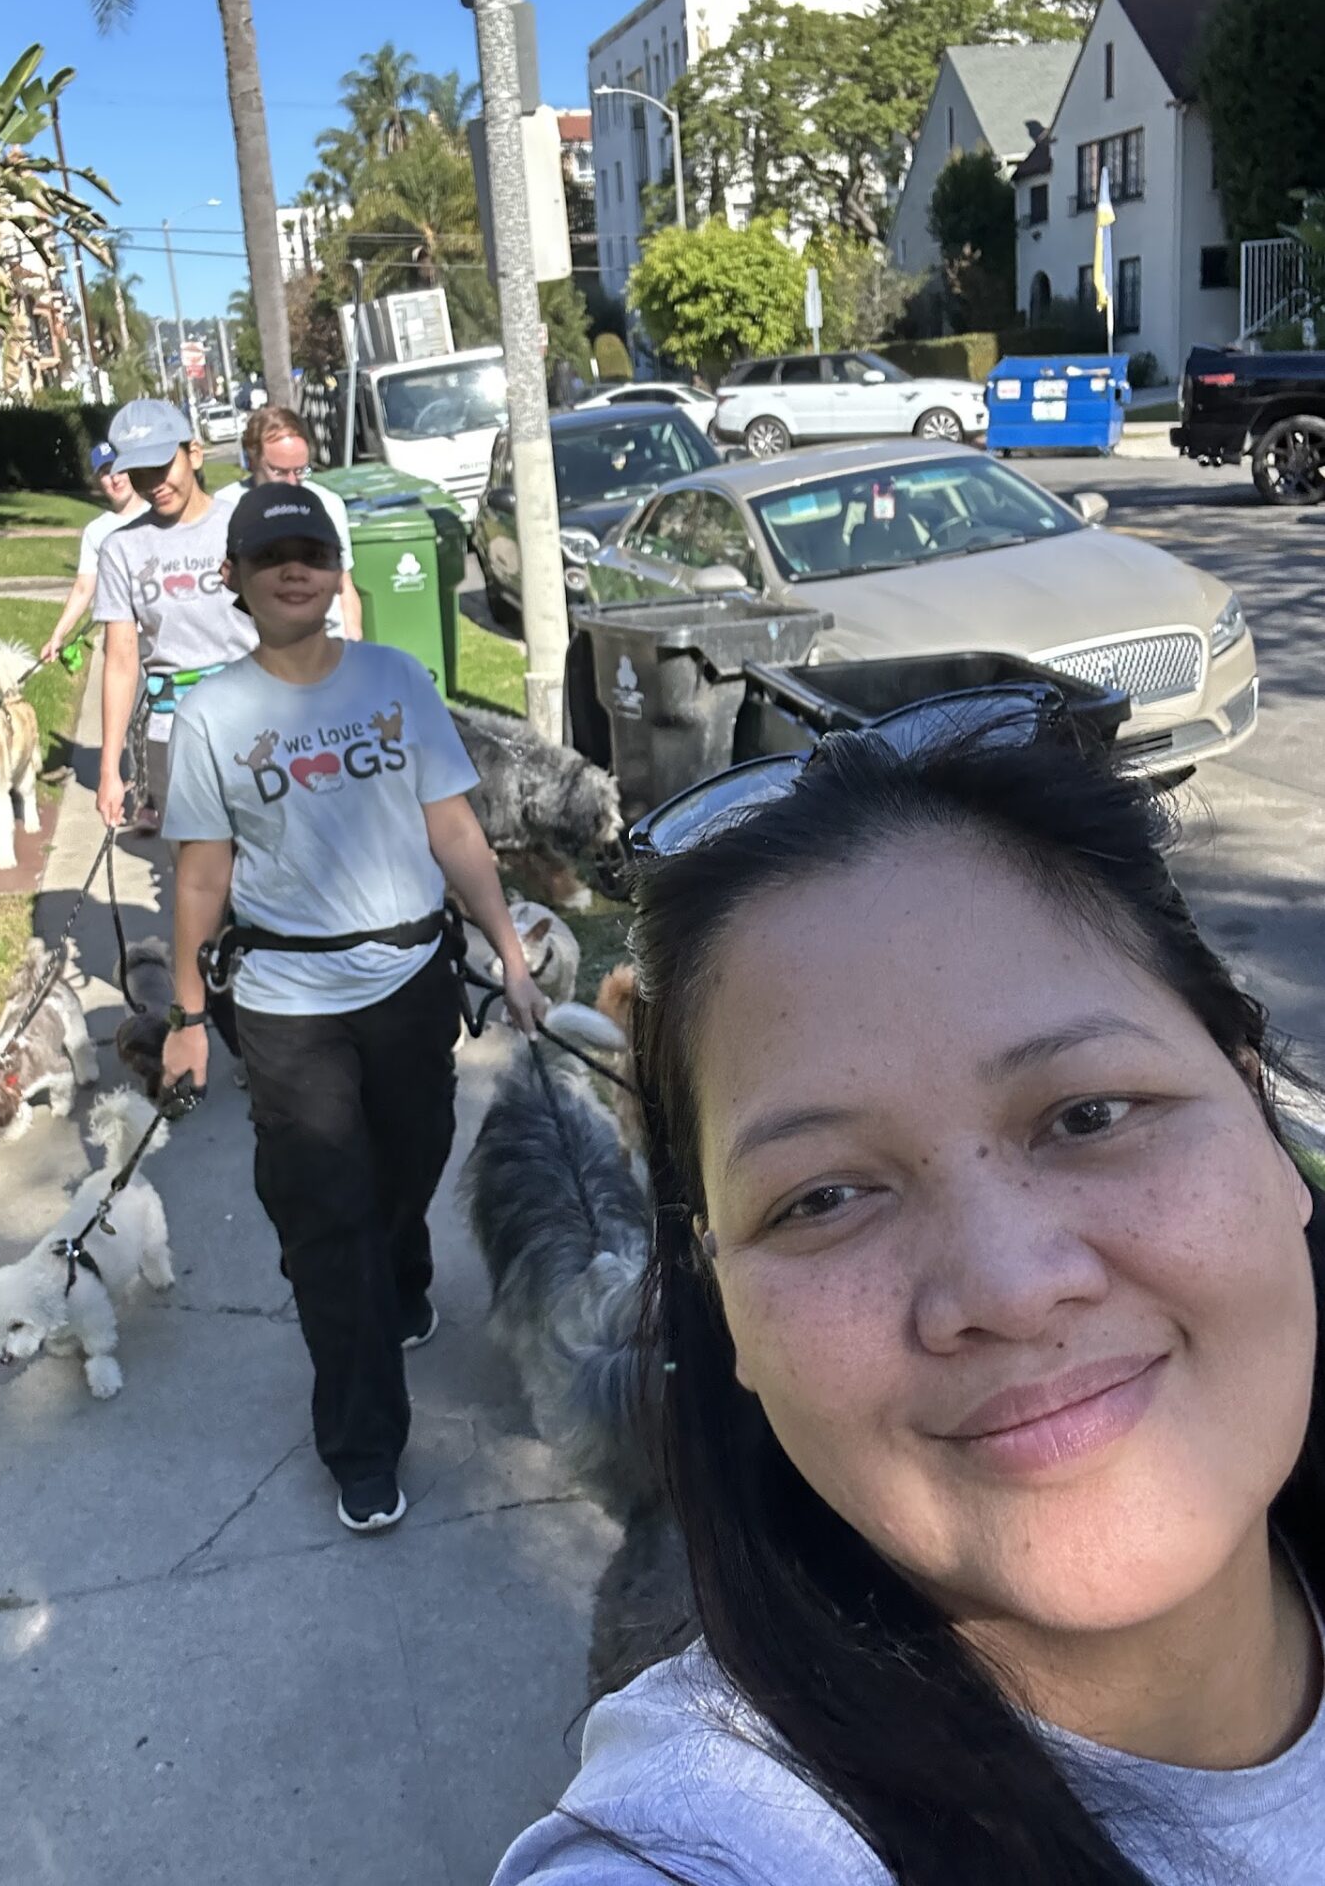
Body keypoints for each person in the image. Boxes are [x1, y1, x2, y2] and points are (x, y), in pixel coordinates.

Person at [496, 703, 1325, 1884]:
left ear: (1256, 1109)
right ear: (719, 1295)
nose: (1008, 1285)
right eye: (824, 1196)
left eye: (1087, 1114)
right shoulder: (710, 1842)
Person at [160, 484, 543, 1535]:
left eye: (312, 551)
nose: (295, 567)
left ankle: (397, 1267)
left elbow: (455, 827)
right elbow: (200, 876)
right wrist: (190, 1013)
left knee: (409, 1160)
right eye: (271, 553)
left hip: (412, 980)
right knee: (331, 1226)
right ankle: (364, 1441)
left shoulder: (395, 678)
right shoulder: (211, 714)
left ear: (339, 572)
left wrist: (508, 951)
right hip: (286, 999)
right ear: (232, 578)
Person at [91, 398, 257, 830]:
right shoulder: (120, 549)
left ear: (194, 454)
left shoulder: (244, 524)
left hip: (256, 721)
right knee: (197, 879)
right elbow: (122, 660)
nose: (153, 484)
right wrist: (110, 769)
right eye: (139, 474)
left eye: (162, 468)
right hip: (172, 733)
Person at [213, 405, 363, 642]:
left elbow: (344, 584)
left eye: (301, 470)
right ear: (251, 460)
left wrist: (353, 640)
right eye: (279, 472)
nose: (293, 483)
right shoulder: (223, 509)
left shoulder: (328, 504)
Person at [40, 442, 148, 664]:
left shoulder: (158, 514)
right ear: (99, 482)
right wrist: (58, 636)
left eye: (120, 469)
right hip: (122, 641)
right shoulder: (96, 531)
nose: (115, 479)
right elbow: (83, 589)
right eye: (106, 473)